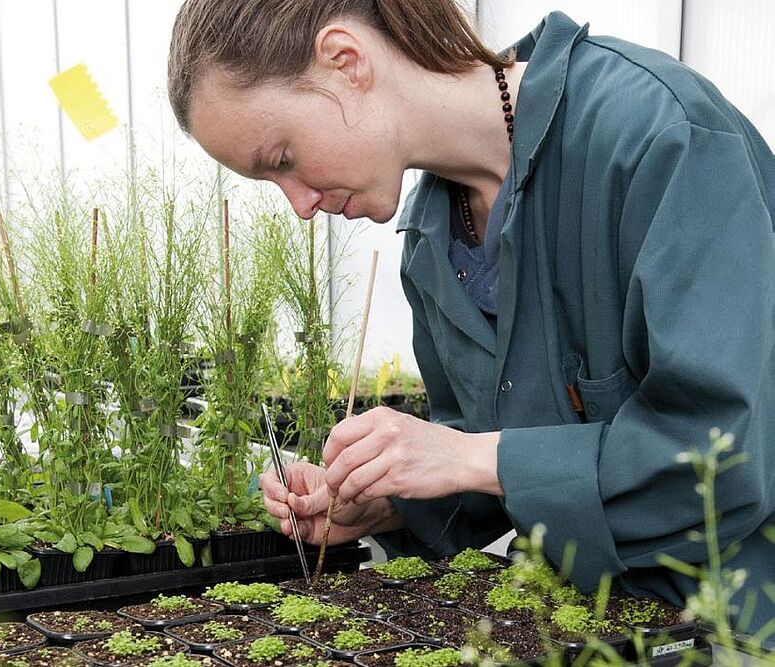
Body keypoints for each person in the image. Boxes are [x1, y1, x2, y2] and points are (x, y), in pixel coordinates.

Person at [168, 0, 775, 635]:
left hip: (734, 628)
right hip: (566, 625)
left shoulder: (657, 137)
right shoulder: (433, 239)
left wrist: (470, 457)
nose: (298, 205)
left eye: (283, 158)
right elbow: (495, 468)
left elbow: (720, 461)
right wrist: (383, 504)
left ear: (345, 61)